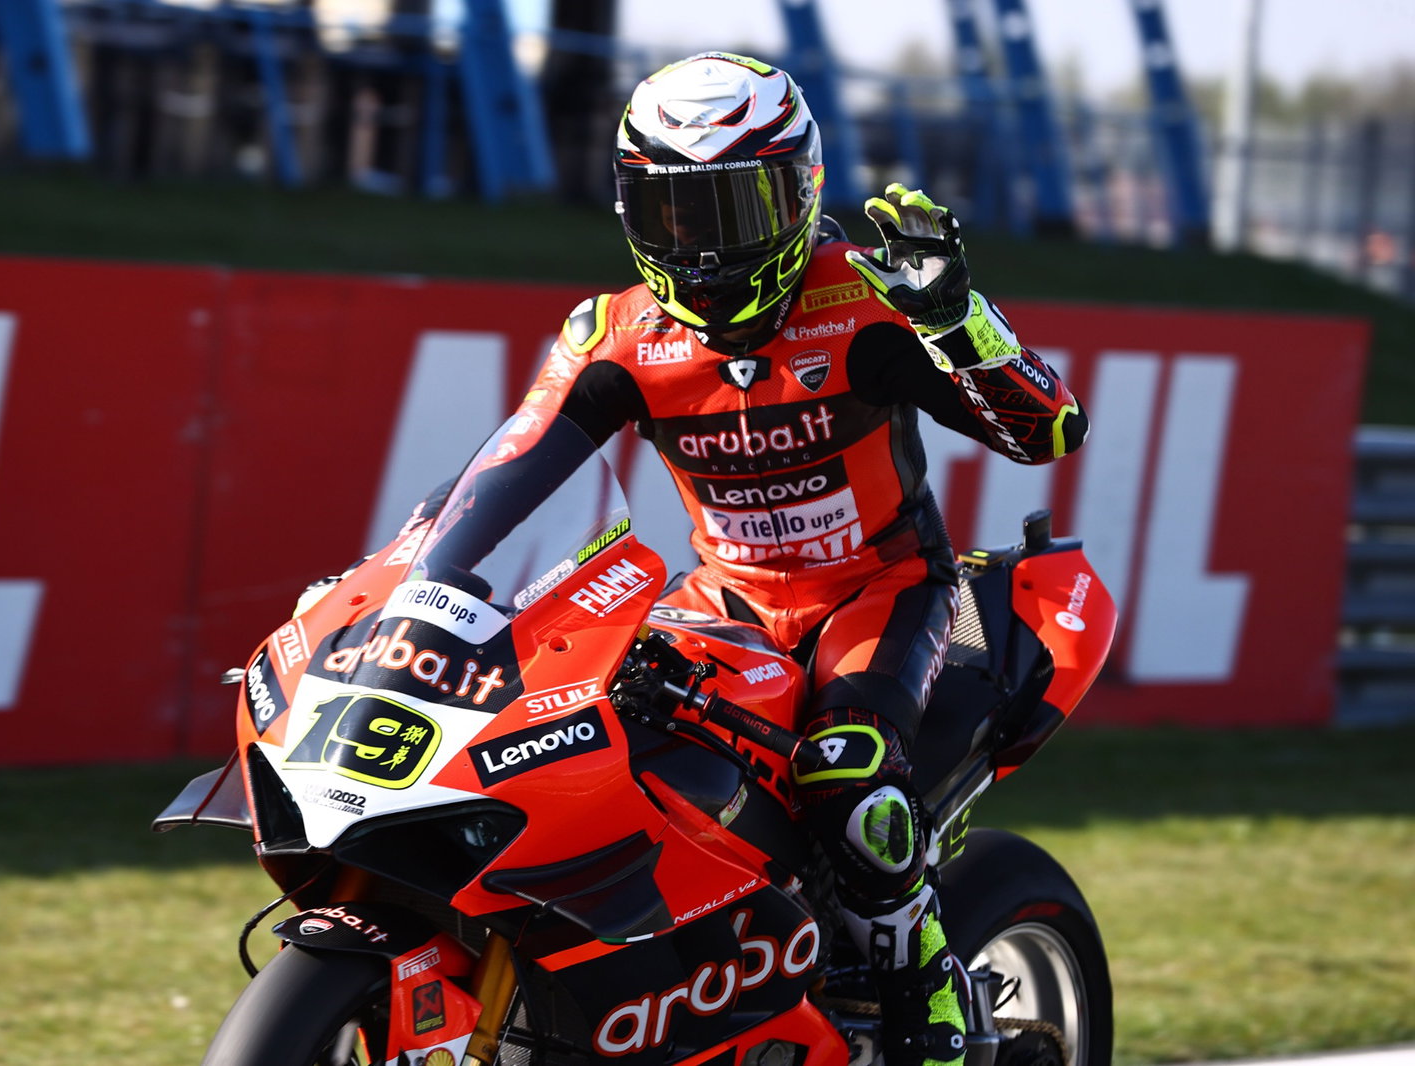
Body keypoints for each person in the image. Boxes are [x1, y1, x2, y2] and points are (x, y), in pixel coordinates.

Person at [396, 51, 1088, 1066]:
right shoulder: (615, 333)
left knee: (847, 774)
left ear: (801, 192)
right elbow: (506, 469)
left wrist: (956, 323)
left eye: (731, 209)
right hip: (723, 601)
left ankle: (931, 1006)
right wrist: (426, 579)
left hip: (880, 593)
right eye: (672, 214)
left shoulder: (864, 299)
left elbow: (1049, 432)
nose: (701, 246)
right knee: (573, 744)